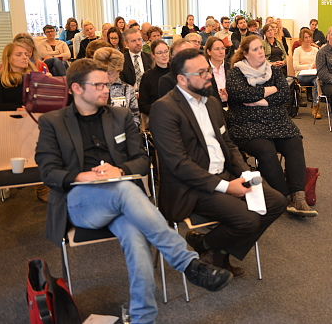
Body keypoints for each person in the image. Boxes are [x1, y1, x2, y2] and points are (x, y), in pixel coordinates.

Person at [35, 58, 233, 324]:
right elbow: (48, 172)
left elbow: (142, 159)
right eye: (99, 85)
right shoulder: (53, 122)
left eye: (107, 83)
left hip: (124, 201)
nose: (107, 89)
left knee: (135, 236)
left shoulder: (120, 115)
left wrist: (120, 171)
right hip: (81, 201)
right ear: (76, 88)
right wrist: (84, 175)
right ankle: (187, 263)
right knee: (125, 191)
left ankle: (143, 317)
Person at [149, 47, 287, 277]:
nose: (208, 76)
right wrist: (226, 187)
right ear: (182, 79)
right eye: (201, 73)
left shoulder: (211, 103)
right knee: (248, 220)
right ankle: (215, 251)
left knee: (277, 202)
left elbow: (228, 145)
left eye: (208, 71)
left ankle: (210, 245)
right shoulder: (164, 109)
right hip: (191, 187)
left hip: (225, 175)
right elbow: (179, 164)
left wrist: (245, 175)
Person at [226, 35, 317, 217]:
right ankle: (283, 196)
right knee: (266, 150)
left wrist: (261, 102)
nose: (260, 51)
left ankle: (298, 196)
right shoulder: (236, 73)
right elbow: (240, 94)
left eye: (261, 48)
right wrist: (269, 90)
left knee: (295, 143)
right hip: (248, 124)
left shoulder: (273, 71)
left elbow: (285, 95)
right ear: (245, 54)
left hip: (277, 121)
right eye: (255, 49)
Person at [0, 42, 51, 202]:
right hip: (7, 127)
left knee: (42, 150)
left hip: (33, 124)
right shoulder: (1, 81)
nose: (24, 57)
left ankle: (42, 186)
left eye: (26, 54)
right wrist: (16, 108)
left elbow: (43, 101)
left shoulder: (35, 78)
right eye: (19, 54)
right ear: (8, 58)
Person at [93, 47, 140, 127]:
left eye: (110, 73)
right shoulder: (90, 88)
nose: (106, 77)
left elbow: (135, 118)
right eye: (103, 72)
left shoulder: (127, 89)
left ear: (119, 71)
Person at [293, 28, 320, 119]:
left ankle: (315, 106)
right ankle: (316, 105)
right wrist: (309, 66)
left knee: (317, 81)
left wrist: (316, 66)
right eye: (306, 37)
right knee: (318, 79)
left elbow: (319, 63)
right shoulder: (298, 50)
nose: (308, 39)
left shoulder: (315, 50)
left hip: (314, 74)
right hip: (301, 75)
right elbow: (295, 66)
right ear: (301, 39)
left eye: (309, 37)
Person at [205, 36, 228, 105]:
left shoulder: (231, 68)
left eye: (223, 48)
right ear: (209, 52)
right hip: (211, 106)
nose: (221, 52)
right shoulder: (204, 70)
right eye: (217, 49)